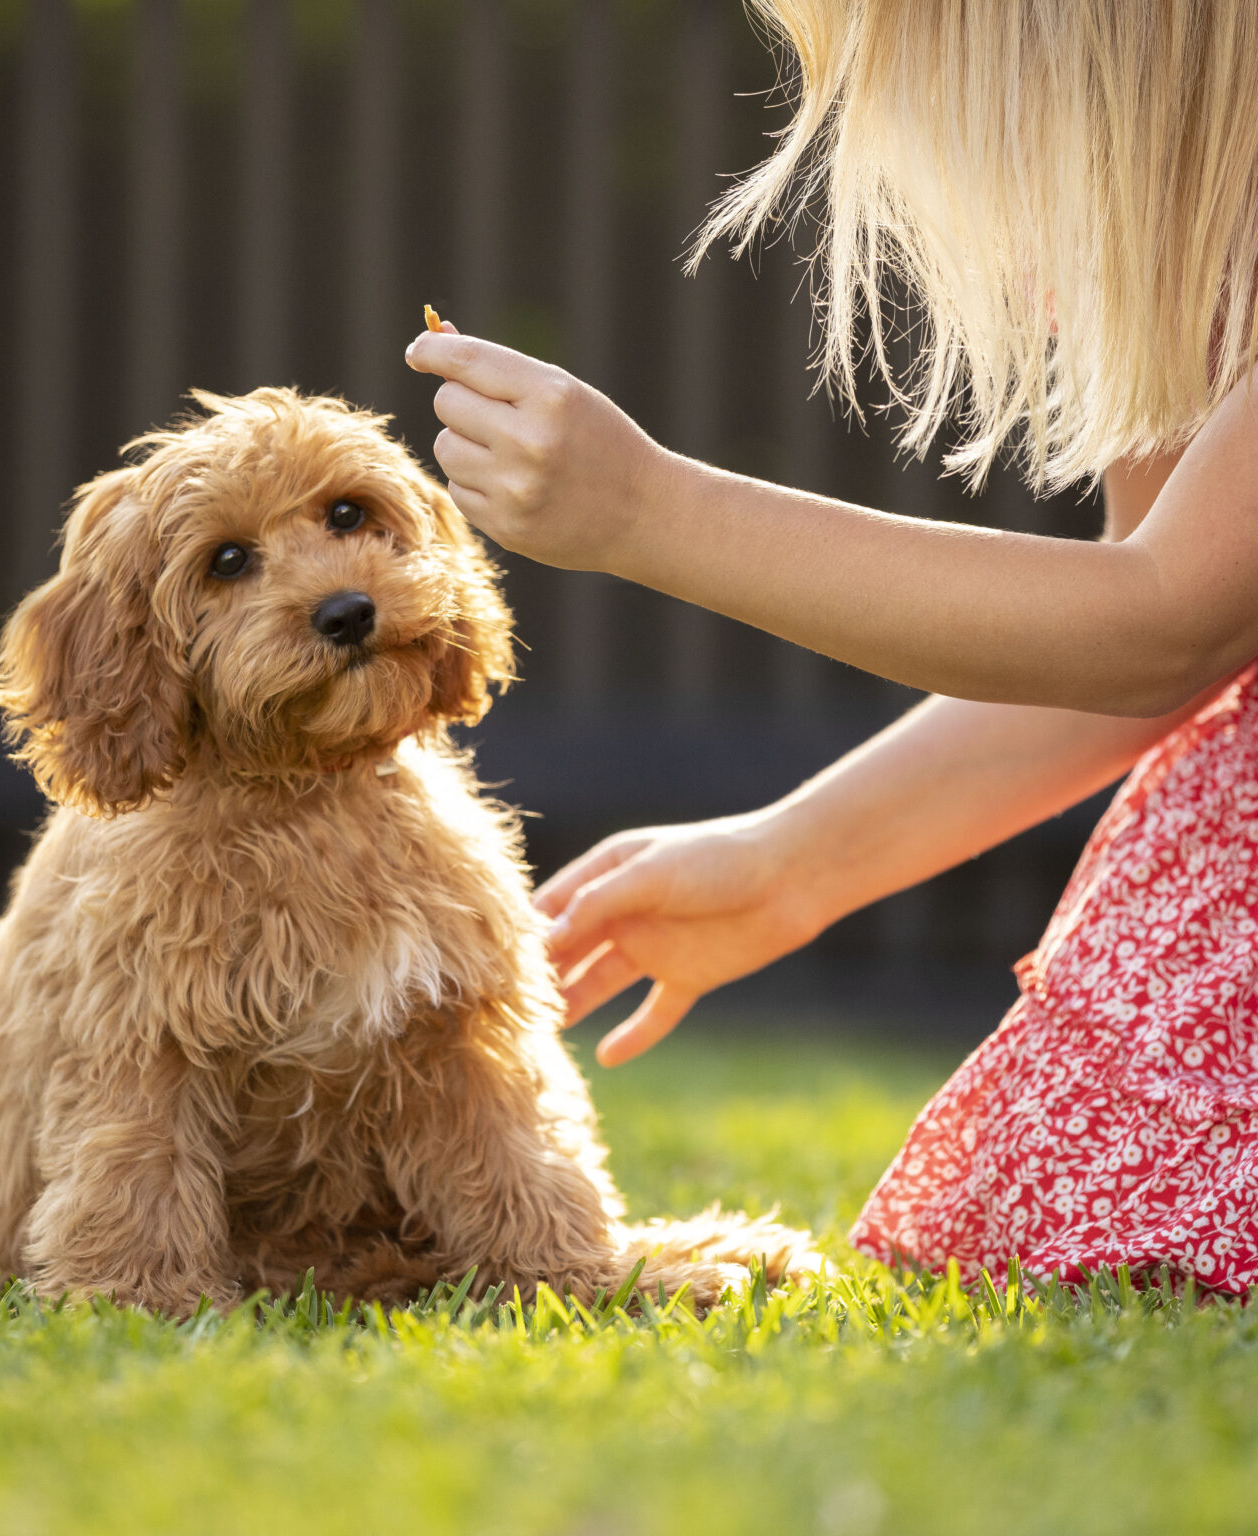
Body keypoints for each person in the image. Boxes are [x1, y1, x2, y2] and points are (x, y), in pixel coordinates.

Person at [405, 0, 1258, 1290]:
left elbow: (1164, 621)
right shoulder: (1191, 227)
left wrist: (650, 511)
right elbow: (1168, 646)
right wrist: (789, 861)